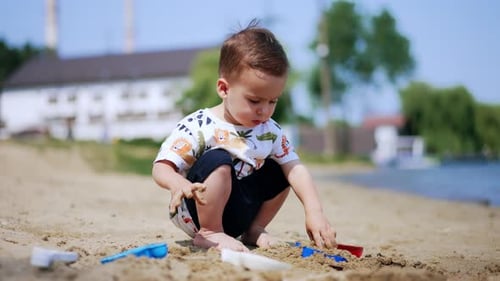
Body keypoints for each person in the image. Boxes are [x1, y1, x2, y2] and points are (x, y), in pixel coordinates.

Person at [152, 20, 336, 252]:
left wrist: (314, 212)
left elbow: (296, 169)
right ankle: (211, 232)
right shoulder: (199, 125)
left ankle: (254, 228)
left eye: (272, 101)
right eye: (254, 101)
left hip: (240, 211)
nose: (264, 110)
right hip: (198, 209)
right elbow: (161, 167)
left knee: (282, 169)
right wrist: (177, 182)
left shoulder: (270, 131)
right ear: (224, 89)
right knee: (218, 158)